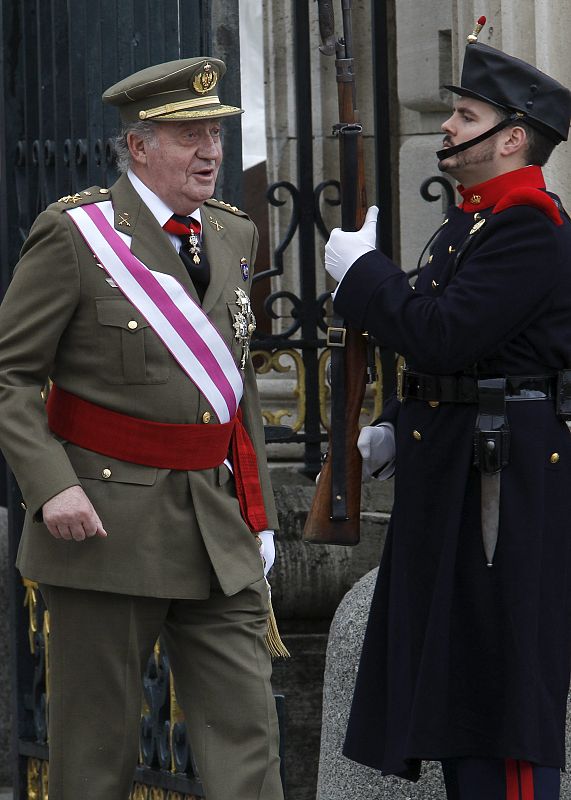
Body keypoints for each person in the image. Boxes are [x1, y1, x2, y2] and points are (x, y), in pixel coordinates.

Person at [0, 57, 286, 800]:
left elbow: (233, 384)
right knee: (95, 753)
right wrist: (50, 486)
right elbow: (10, 377)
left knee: (248, 736)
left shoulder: (234, 234)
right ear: (139, 147)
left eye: (216, 134)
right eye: (189, 134)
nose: (211, 151)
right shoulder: (75, 235)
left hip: (215, 527)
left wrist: (259, 511)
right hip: (102, 527)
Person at [324, 25, 571, 800]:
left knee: (498, 696)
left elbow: (442, 329)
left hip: (503, 481)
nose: (447, 127)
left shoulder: (527, 226)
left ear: (512, 137)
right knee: (461, 684)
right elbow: (450, 356)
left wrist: (361, 275)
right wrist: (394, 426)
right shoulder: (468, 225)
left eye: (465, 116)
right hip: (458, 469)